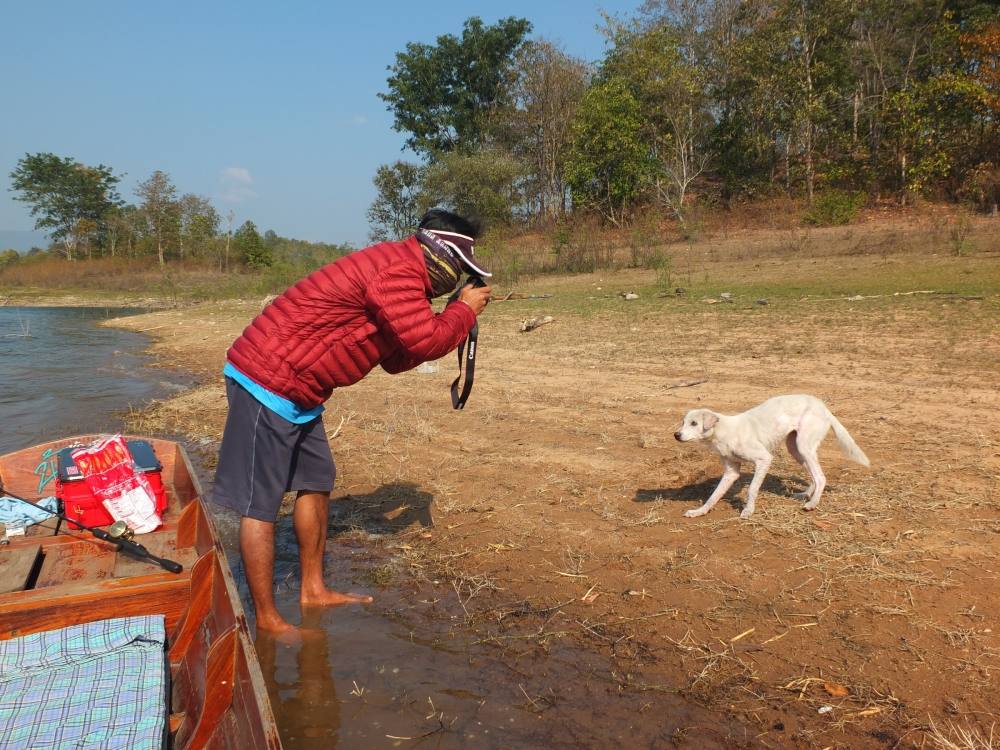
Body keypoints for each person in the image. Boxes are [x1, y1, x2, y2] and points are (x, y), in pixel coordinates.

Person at [213, 209, 492, 633]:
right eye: (459, 270)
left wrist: (454, 313)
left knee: (317, 480)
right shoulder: (398, 271)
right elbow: (426, 339)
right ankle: (267, 620)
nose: (456, 281)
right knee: (260, 503)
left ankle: (313, 590)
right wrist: (464, 313)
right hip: (265, 378)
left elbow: (399, 357)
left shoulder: (404, 277)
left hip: (301, 387)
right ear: (442, 255)